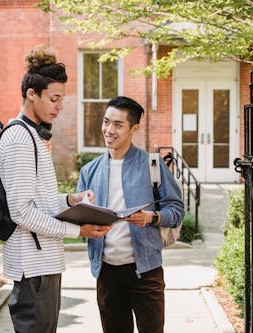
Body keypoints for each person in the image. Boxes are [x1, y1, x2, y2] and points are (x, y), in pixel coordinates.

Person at [0, 45, 111, 333]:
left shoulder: (32, 136)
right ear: (31, 94)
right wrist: (78, 231)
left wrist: (71, 200)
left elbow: (39, 201)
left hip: (43, 262)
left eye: (62, 98)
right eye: (54, 98)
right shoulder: (20, 140)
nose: (60, 106)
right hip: (32, 266)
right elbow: (21, 212)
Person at [77, 96, 185, 333]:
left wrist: (150, 217)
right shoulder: (89, 171)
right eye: (106, 122)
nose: (108, 130)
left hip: (145, 273)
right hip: (107, 274)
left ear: (134, 129)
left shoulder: (152, 166)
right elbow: (80, 218)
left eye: (118, 124)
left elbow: (176, 211)